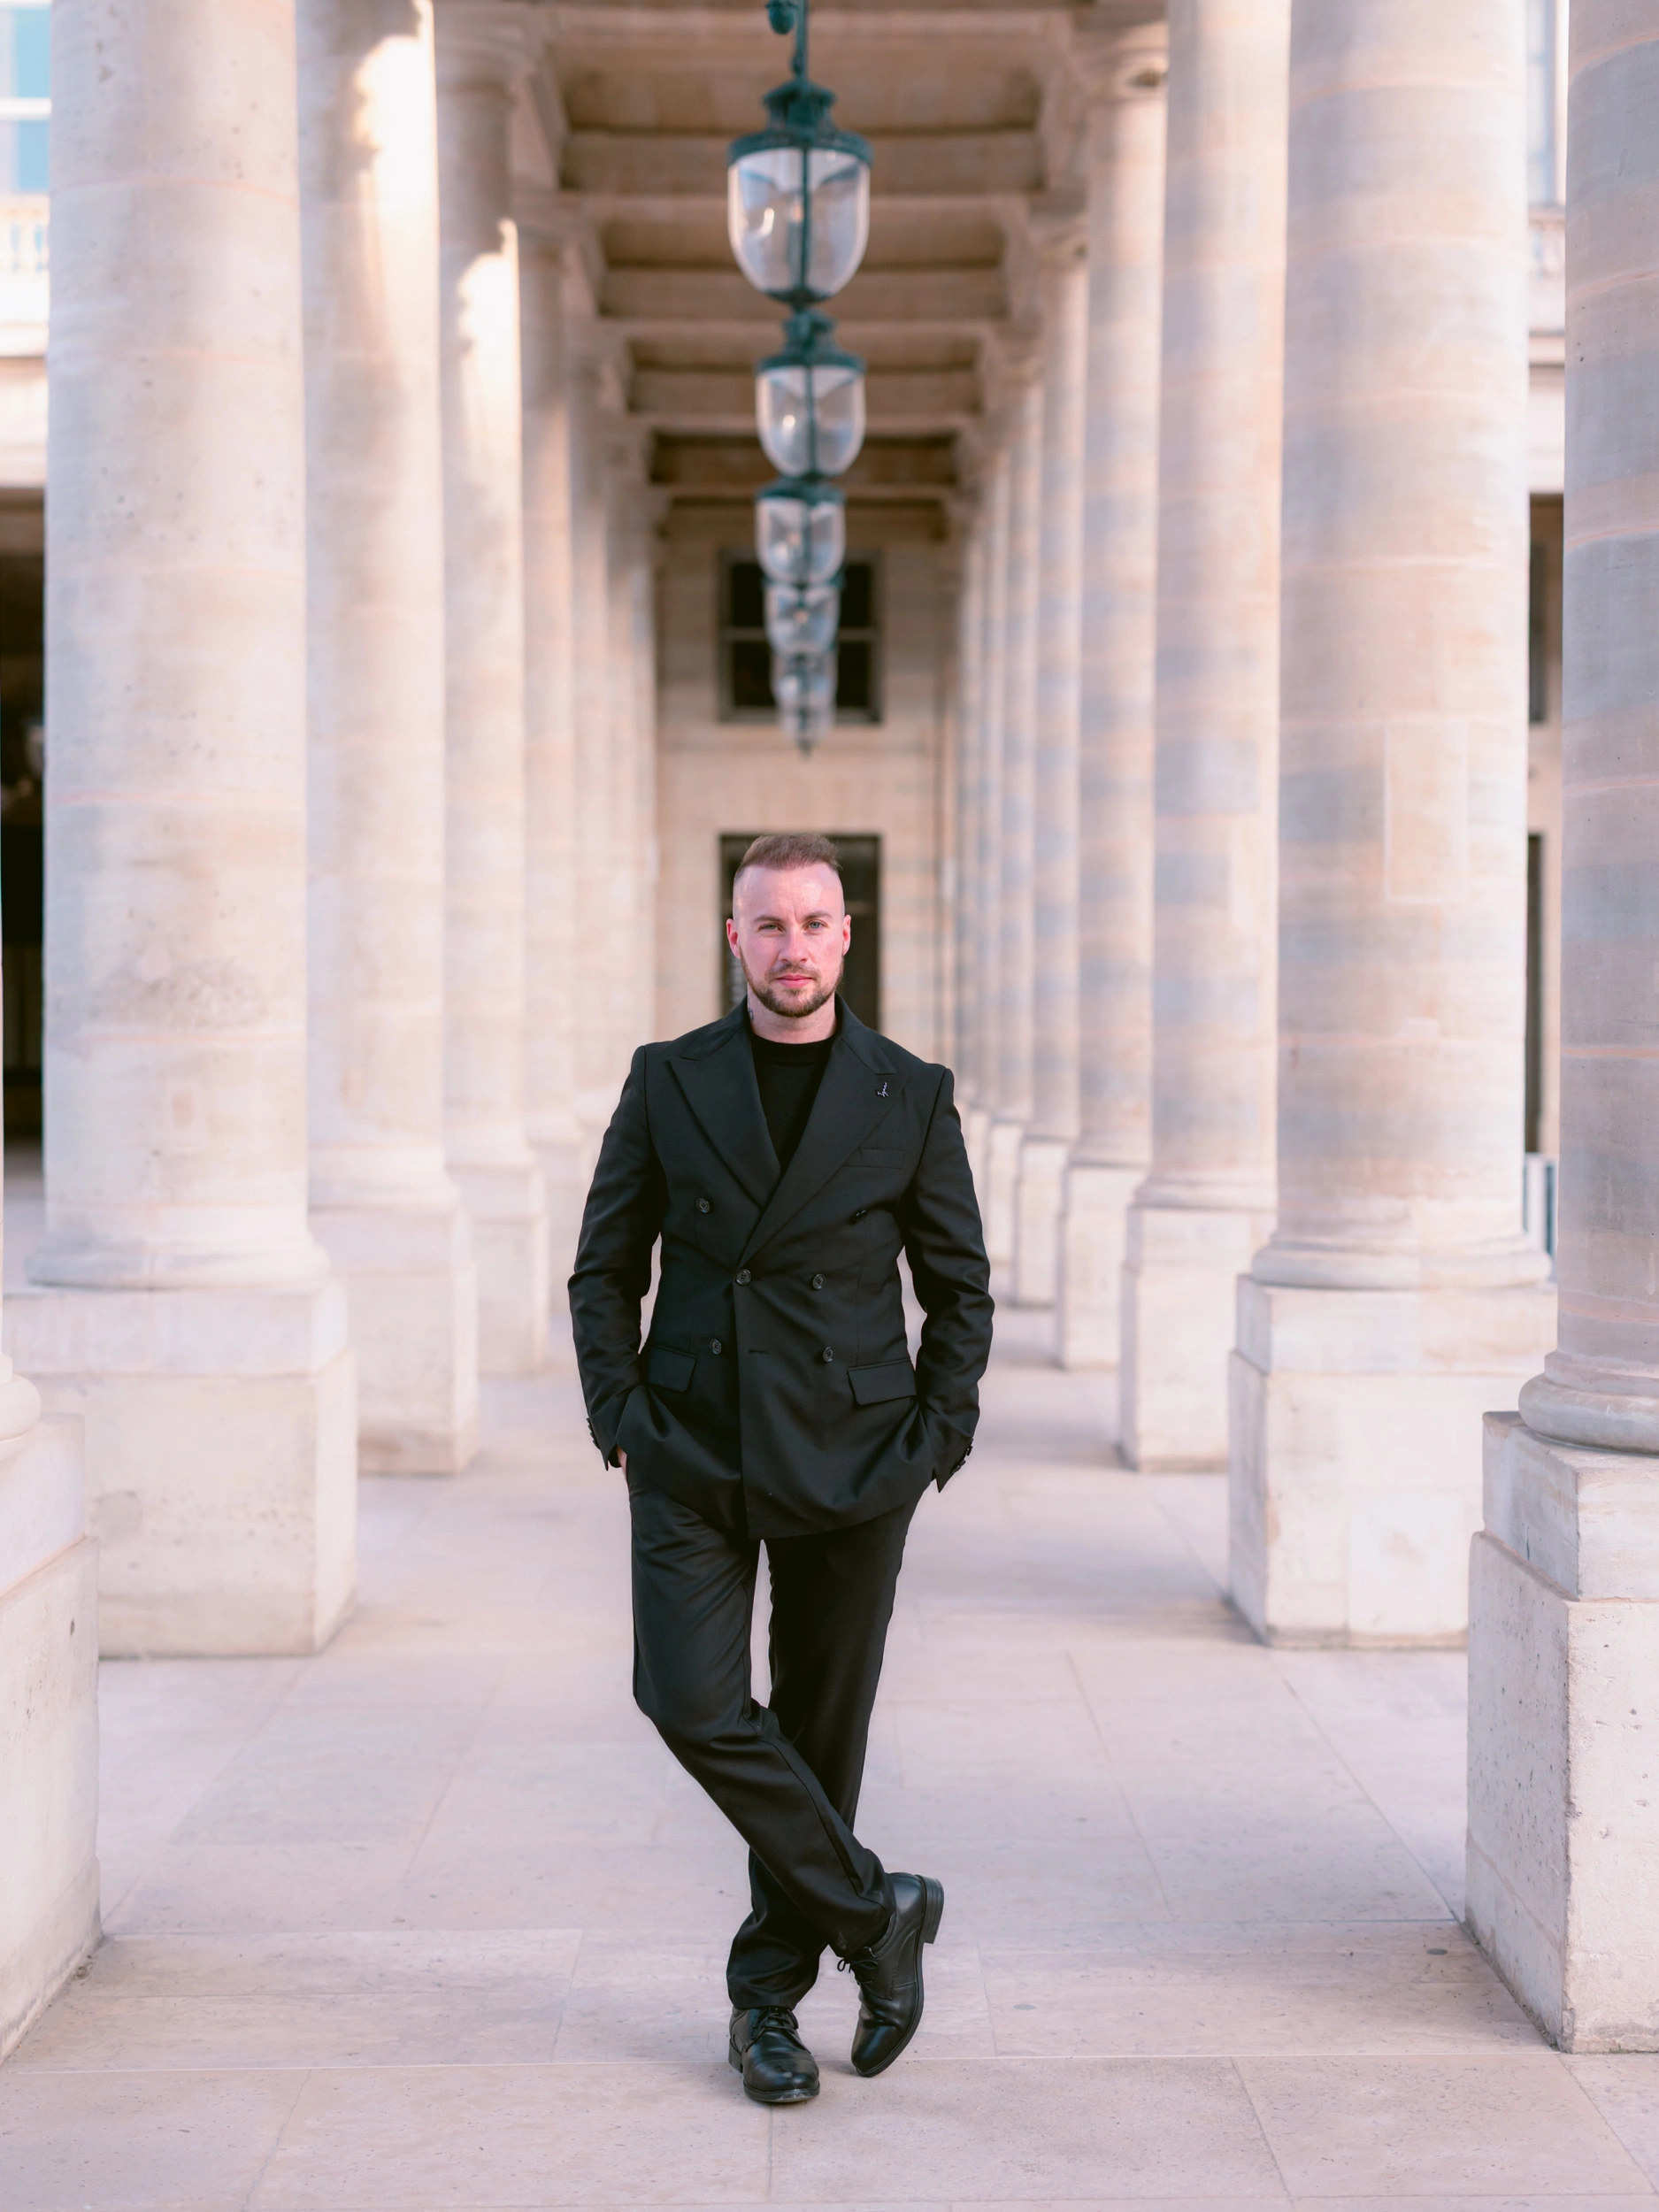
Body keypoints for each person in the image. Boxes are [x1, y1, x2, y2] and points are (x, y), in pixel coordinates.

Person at [570, 831, 994, 2105]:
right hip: (690, 1441)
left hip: (854, 1455)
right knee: (687, 1700)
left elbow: (959, 1285)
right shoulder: (669, 1077)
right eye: (769, 924)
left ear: (845, 936)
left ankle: (765, 2004)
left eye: (813, 923)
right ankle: (877, 1912)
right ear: (734, 938)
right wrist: (619, 1411)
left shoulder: (909, 1092)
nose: (792, 947)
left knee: (819, 1734)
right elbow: (605, 1264)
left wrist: (936, 1436)